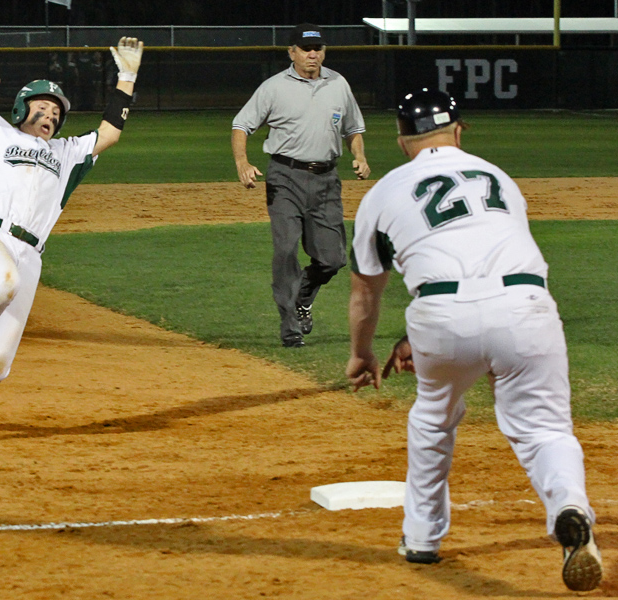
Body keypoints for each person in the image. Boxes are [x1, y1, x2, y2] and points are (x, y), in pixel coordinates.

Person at [345, 88, 602, 592]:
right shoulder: (499, 179)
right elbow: (488, 266)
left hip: (440, 314)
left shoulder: (382, 192)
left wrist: (362, 353)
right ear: (459, 131)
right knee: (545, 430)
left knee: (433, 419)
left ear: (402, 141)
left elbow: (365, 294)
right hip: (527, 307)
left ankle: (421, 538)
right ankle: (569, 507)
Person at [0, 37, 144, 416]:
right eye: (43, 106)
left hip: (30, 258)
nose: (51, 115)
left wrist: (127, 75)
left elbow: (109, 133)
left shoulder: (67, 153)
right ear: (21, 108)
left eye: (57, 113)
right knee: (4, 281)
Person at [231, 23, 370, 348]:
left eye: (318, 48)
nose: (313, 54)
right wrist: (242, 161)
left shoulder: (338, 84)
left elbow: (354, 129)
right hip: (285, 177)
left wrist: (360, 156)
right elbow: (241, 124)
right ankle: (290, 326)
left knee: (333, 258)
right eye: (306, 49)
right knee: (285, 249)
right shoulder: (274, 87)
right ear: (291, 52)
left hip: (326, 180)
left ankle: (303, 297)